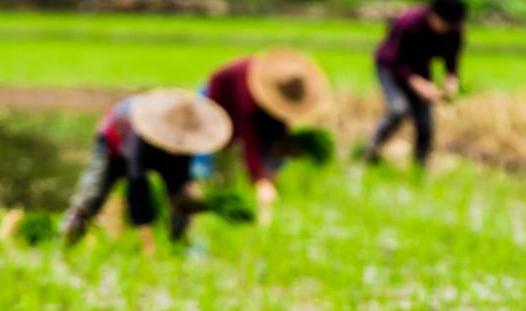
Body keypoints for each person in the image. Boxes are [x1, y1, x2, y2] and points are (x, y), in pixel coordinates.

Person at [61, 88, 232, 255]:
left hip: (154, 149)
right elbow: (136, 186)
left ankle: (179, 244)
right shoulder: (142, 134)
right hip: (113, 143)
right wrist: (148, 243)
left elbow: (180, 181)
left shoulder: (186, 142)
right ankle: (66, 243)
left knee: (182, 197)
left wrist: (190, 199)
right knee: (93, 195)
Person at [199, 49, 332, 226]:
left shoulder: (278, 97)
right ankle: (214, 207)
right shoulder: (247, 98)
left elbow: (278, 131)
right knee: (215, 168)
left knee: (261, 163)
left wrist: (273, 170)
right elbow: (249, 141)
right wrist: (260, 179)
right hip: (214, 103)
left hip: (246, 112)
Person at [366, 0, 468, 170]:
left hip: (420, 69)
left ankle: (420, 168)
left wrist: (451, 79)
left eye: (449, 25)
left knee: (425, 123)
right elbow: (393, 60)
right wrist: (417, 83)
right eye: (442, 23)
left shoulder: (455, 30)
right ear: (433, 14)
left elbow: (452, 59)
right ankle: (369, 153)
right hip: (390, 68)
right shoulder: (408, 23)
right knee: (398, 109)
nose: (444, 29)